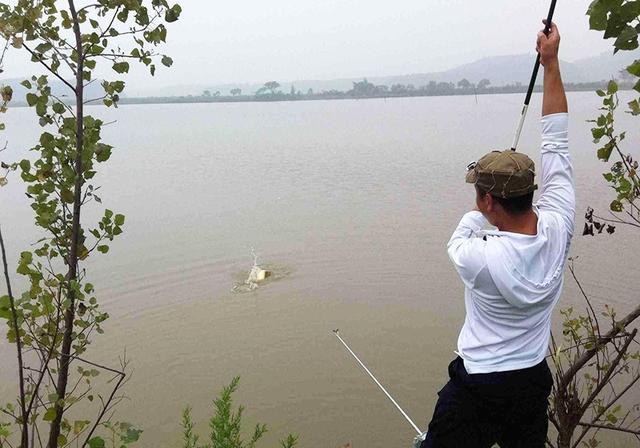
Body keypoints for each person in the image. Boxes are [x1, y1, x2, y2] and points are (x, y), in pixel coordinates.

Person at [421, 21, 574, 448]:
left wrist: (480, 217)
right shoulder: (558, 224)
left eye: (479, 192)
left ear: (489, 203)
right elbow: (556, 141)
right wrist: (551, 62)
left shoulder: (479, 257)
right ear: (530, 191)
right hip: (530, 383)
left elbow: (458, 240)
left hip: (477, 389)